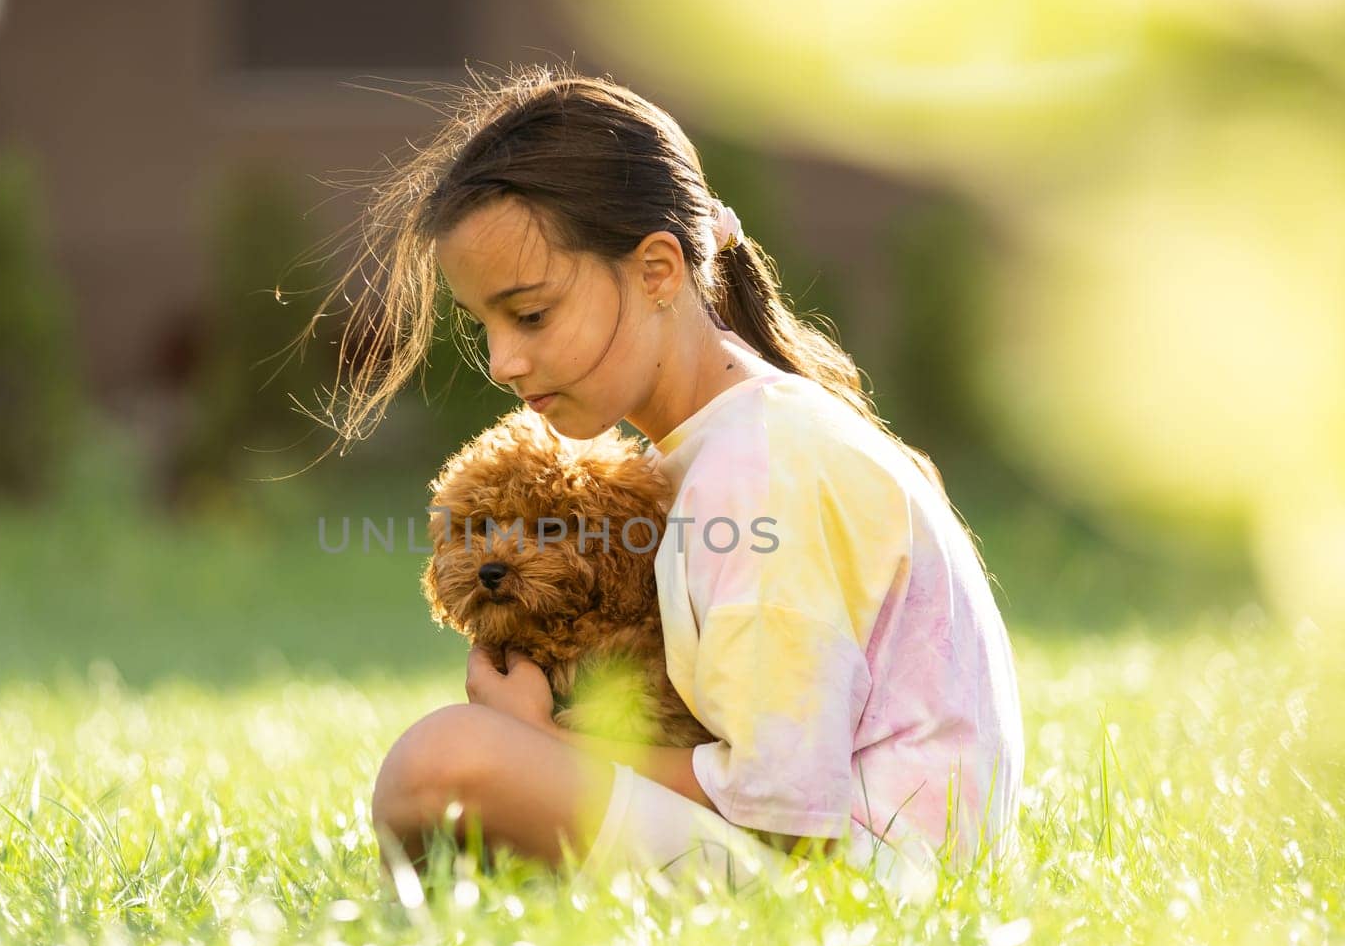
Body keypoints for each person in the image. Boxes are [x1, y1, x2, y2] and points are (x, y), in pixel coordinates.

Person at [321, 67, 1023, 895]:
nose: (504, 361)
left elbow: (784, 801)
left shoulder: (763, 461)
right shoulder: (716, 446)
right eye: (487, 326)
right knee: (460, 773)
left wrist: (542, 739)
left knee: (443, 764)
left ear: (658, 270)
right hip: (830, 858)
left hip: (864, 885)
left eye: (533, 313)